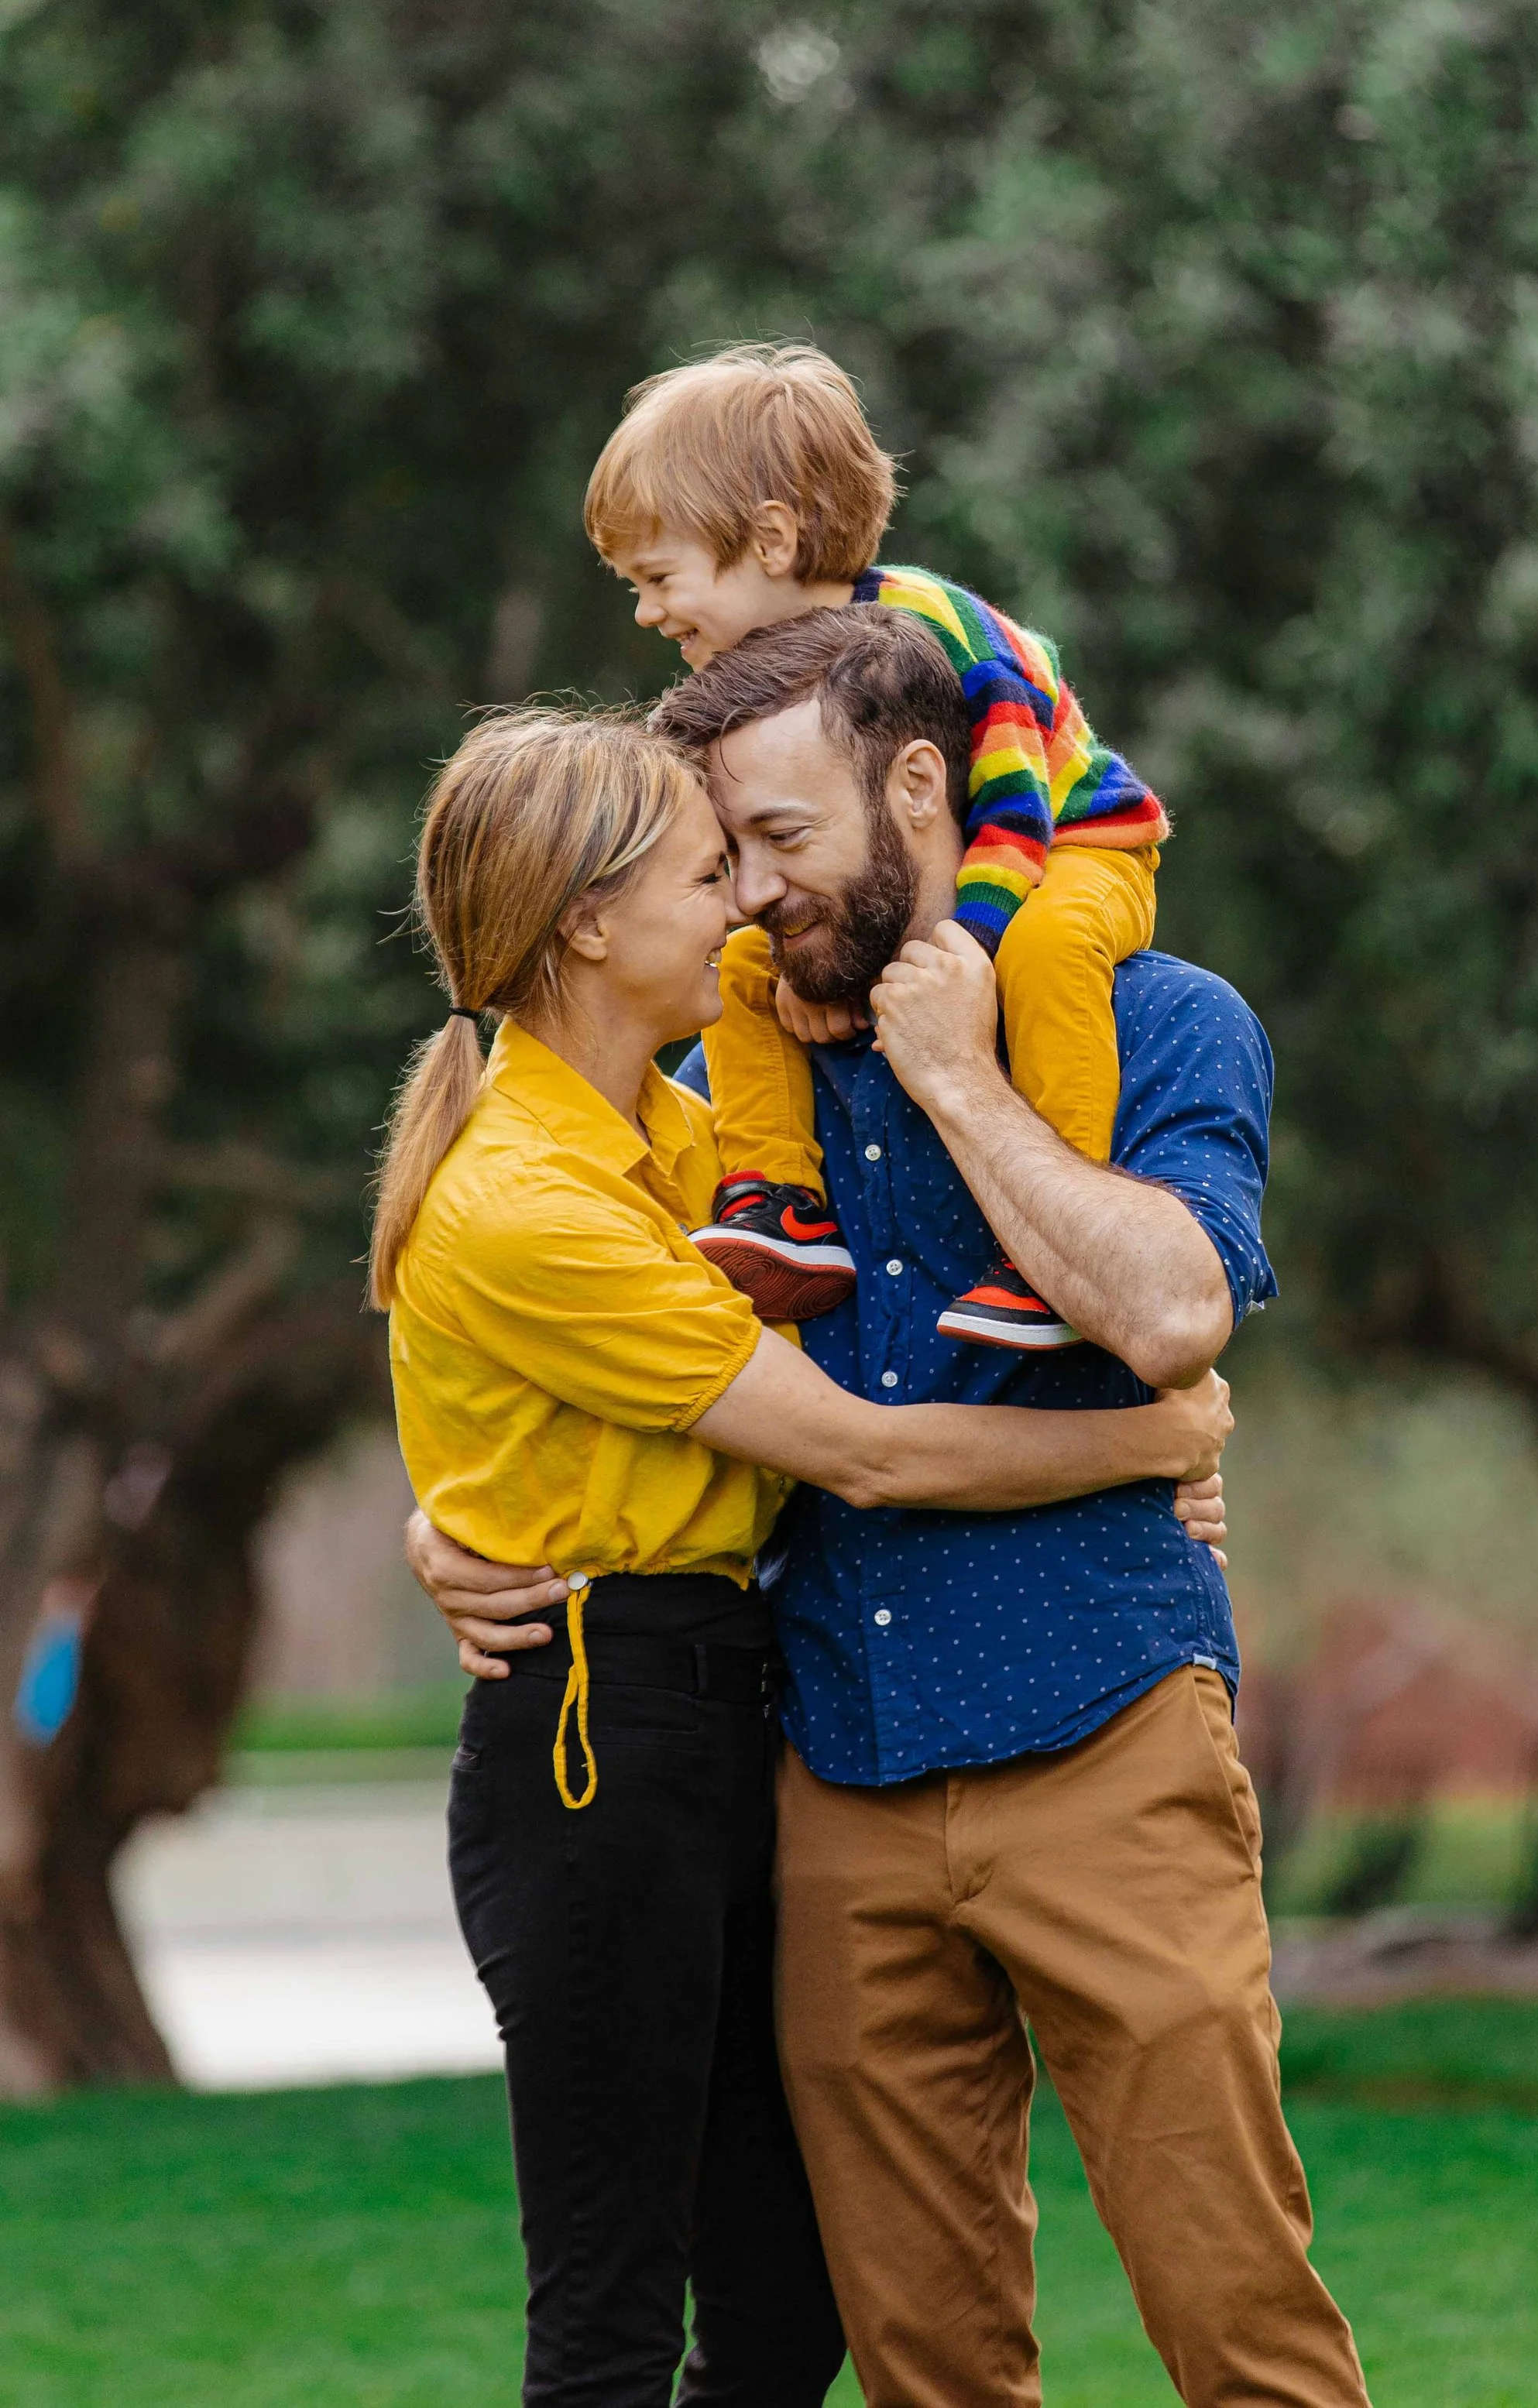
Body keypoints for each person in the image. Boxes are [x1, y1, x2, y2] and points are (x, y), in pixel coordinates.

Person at [414, 614, 1371, 2408]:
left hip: (1107, 1736)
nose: (753, 897)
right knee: (922, 2364)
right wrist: (446, 1538)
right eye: (722, 859)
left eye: (776, 842)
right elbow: (569, 1363)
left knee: (1236, 2323)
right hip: (834, 1777)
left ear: (915, 785)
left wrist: (959, 1072)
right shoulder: (733, 1102)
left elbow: (1172, 1314)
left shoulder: (1161, 1021)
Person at [582, 341, 1168, 1350]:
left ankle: (1050, 1231)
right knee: (745, 962)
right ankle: (776, 1197)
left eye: (660, 576)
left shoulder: (937, 627)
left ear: (768, 539)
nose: (646, 611)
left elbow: (1018, 807)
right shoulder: (765, 685)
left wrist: (961, 960)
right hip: (974, 865)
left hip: (1080, 844)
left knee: (1049, 952)